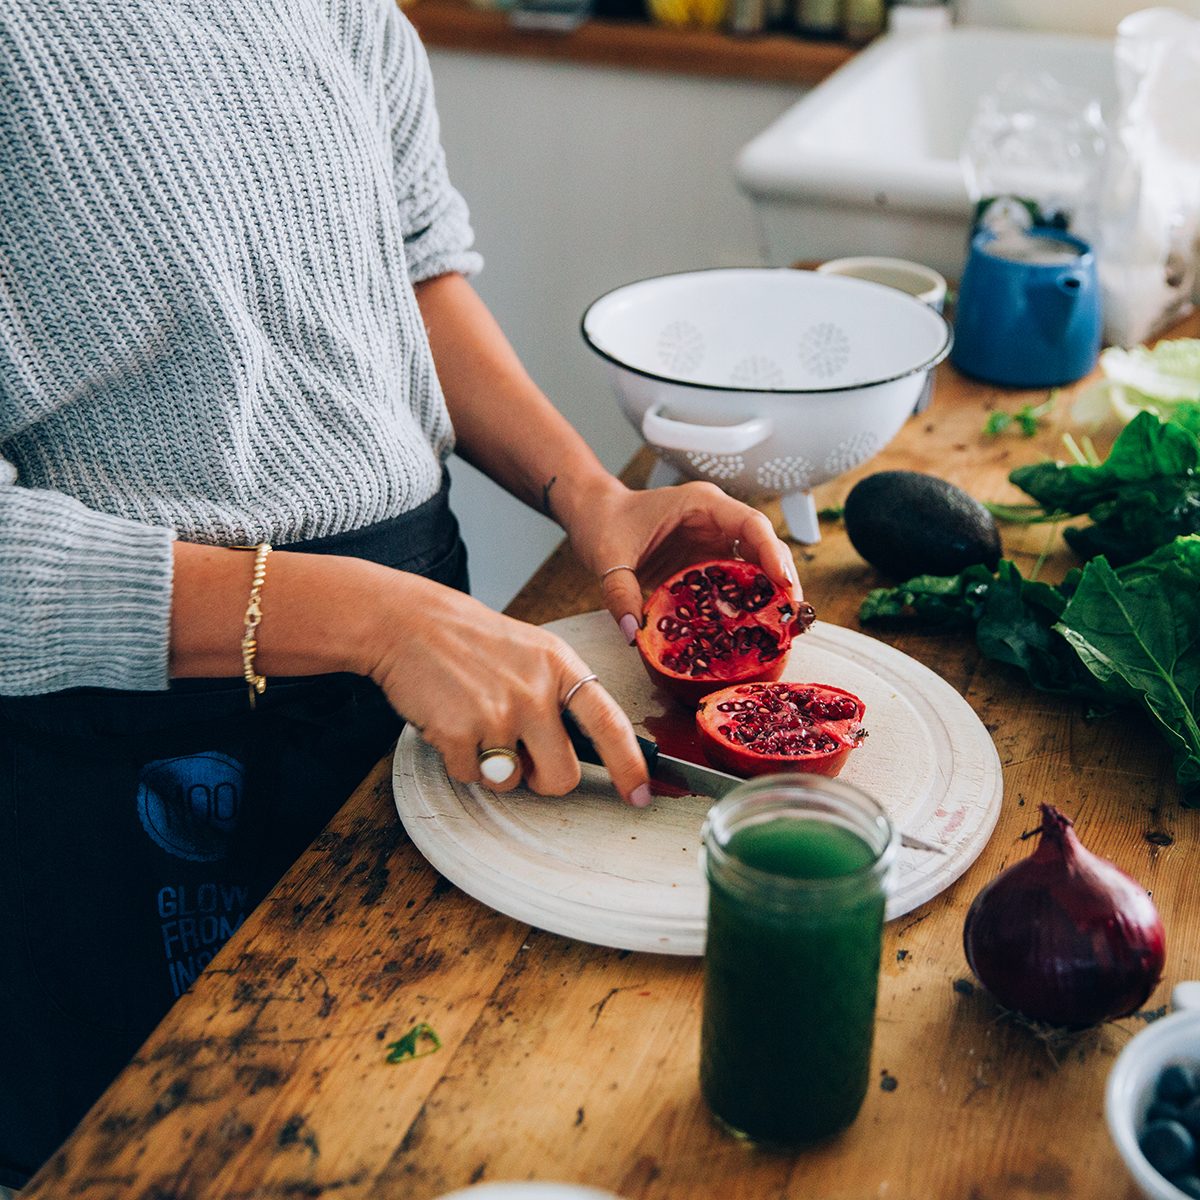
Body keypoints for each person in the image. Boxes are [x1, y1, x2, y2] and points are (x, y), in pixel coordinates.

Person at [0, 0, 800, 1187]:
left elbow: (411, 271)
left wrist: (590, 497)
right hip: (147, 735)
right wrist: (371, 618)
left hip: (421, 646)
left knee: (428, 1118)